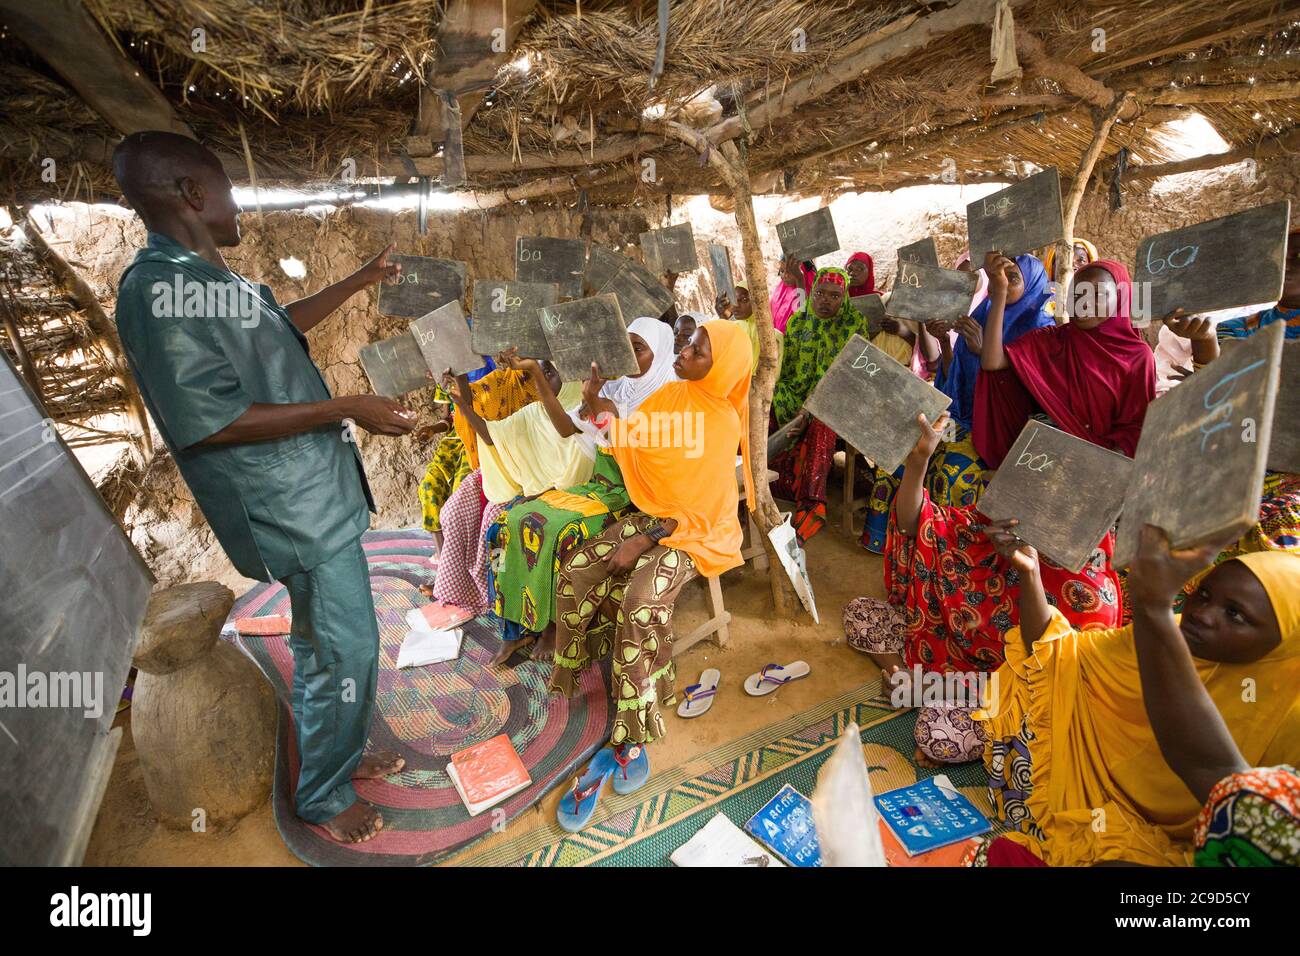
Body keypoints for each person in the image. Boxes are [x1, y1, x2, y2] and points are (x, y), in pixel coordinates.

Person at [111, 131, 410, 844]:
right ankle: (326, 796)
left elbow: (278, 332)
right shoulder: (157, 293)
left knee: (326, 640)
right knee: (347, 646)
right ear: (193, 194)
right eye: (228, 190)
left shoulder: (212, 280)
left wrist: (359, 281)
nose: (238, 203)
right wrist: (346, 407)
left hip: (314, 492)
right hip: (288, 507)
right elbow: (208, 422)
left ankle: (341, 747)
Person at [974, 521, 1300, 866]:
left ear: (1285, 643)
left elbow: (1218, 780)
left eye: (1235, 615)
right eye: (1203, 594)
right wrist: (1030, 572)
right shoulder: (1169, 631)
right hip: (1088, 785)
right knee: (1025, 698)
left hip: (1177, 842)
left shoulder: (1289, 716)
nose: (1202, 615)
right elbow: (1058, 656)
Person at [843, 413, 1122, 764]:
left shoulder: (1090, 598)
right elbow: (919, 523)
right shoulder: (999, 523)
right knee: (861, 614)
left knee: (937, 736)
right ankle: (906, 680)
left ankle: (922, 692)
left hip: (1010, 688)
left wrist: (1029, 573)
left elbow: (1044, 685)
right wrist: (919, 460)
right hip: (949, 652)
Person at [551, 321, 753, 763]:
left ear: (721, 369)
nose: (683, 353)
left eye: (697, 352)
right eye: (687, 344)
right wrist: (596, 404)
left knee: (641, 601)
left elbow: (698, 508)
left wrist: (643, 540)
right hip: (658, 515)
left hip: (697, 533)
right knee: (577, 569)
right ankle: (587, 658)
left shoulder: (720, 421)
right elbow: (632, 438)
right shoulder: (673, 395)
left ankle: (637, 715)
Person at [487, 317, 678, 665]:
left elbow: (635, 453)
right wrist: (535, 373)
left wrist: (599, 404)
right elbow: (565, 428)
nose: (630, 358)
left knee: (563, 533)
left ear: (661, 352)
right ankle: (514, 624)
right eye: (625, 347)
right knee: (504, 523)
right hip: (598, 487)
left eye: (639, 349)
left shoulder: (671, 396)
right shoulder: (616, 389)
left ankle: (554, 623)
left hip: (636, 495)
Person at [973, 257, 1157, 467]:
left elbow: (1136, 428)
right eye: (1076, 295)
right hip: (1041, 457)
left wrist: (1099, 468)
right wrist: (1000, 294)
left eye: (1097, 294)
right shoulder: (1050, 340)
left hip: (1099, 463)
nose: (1084, 303)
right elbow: (992, 364)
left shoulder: (1137, 356)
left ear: (1121, 299)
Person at [926, 253, 1053, 507]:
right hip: (962, 418)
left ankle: (959, 540)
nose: (1001, 283)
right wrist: (945, 344)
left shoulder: (1041, 329)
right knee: (920, 448)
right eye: (997, 277)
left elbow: (1027, 396)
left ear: (1033, 283)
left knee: (948, 471)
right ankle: (907, 536)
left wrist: (984, 352)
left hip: (1000, 431)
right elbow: (956, 382)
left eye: (1012, 277)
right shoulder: (983, 314)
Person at [770, 266, 872, 541]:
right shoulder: (797, 322)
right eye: (820, 293)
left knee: (823, 418)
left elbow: (849, 377)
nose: (826, 301)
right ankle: (767, 480)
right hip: (797, 394)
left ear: (845, 298)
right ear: (812, 293)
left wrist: (811, 407)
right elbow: (787, 370)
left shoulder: (854, 325)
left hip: (839, 400)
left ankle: (812, 503)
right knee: (766, 403)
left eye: (835, 296)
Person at [416, 358, 536, 540]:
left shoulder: (487, 369)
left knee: (460, 490)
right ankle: (441, 549)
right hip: (454, 442)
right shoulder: (444, 378)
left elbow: (483, 411)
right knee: (428, 485)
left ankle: (464, 546)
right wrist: (433, 429)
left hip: (479, 438)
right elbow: (449, 418)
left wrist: (462, 384)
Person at [768, 254, 811, 334]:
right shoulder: (780, 289)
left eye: (791, 272)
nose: (785, 275)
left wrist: (799, 279)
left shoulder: (806, 291)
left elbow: (802, 311)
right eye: (782, 271)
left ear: (801, 272)